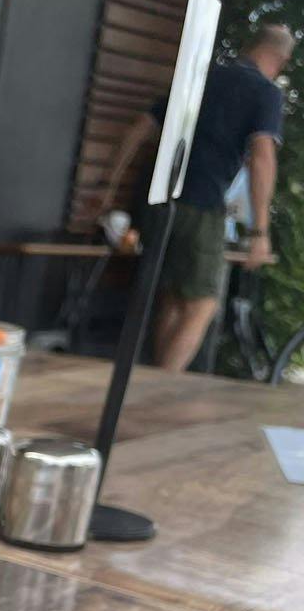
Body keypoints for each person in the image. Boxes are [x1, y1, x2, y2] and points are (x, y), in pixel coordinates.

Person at [93, 24, 293, 372]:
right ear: (281, 61)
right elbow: (263, 157)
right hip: (202, 205)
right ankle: (160, 387)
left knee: (174, 298)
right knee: (202, 305)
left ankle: (153, 381)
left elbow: (140, 128)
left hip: (157, 201)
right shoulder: (265, 92)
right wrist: (259, 232)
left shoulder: (203, 76)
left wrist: (107, 186)